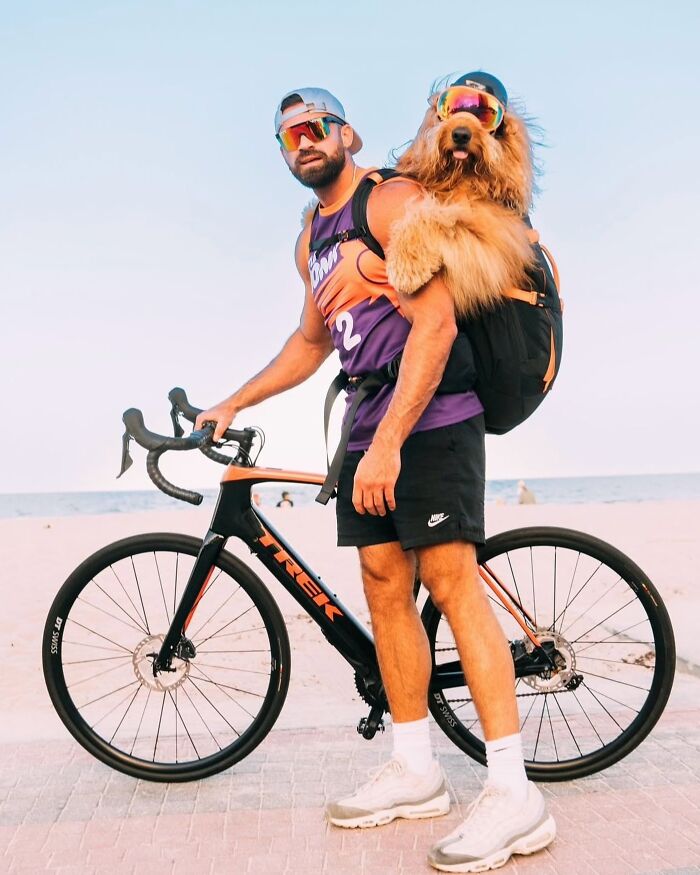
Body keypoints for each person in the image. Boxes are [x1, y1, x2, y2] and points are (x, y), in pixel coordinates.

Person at [195, 85, 554, 871]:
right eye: (289, 135)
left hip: (429, 419)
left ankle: (513, 790)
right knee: (385, 586)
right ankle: (415, 766)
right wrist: (234, 399)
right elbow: (311, 340)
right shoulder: (312, 240)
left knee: (452, 583)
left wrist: (391, 441)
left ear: (348, 134)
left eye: (317, 127)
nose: (304, 141)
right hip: (367, 427)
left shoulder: (390, 202)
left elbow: (436, 321)